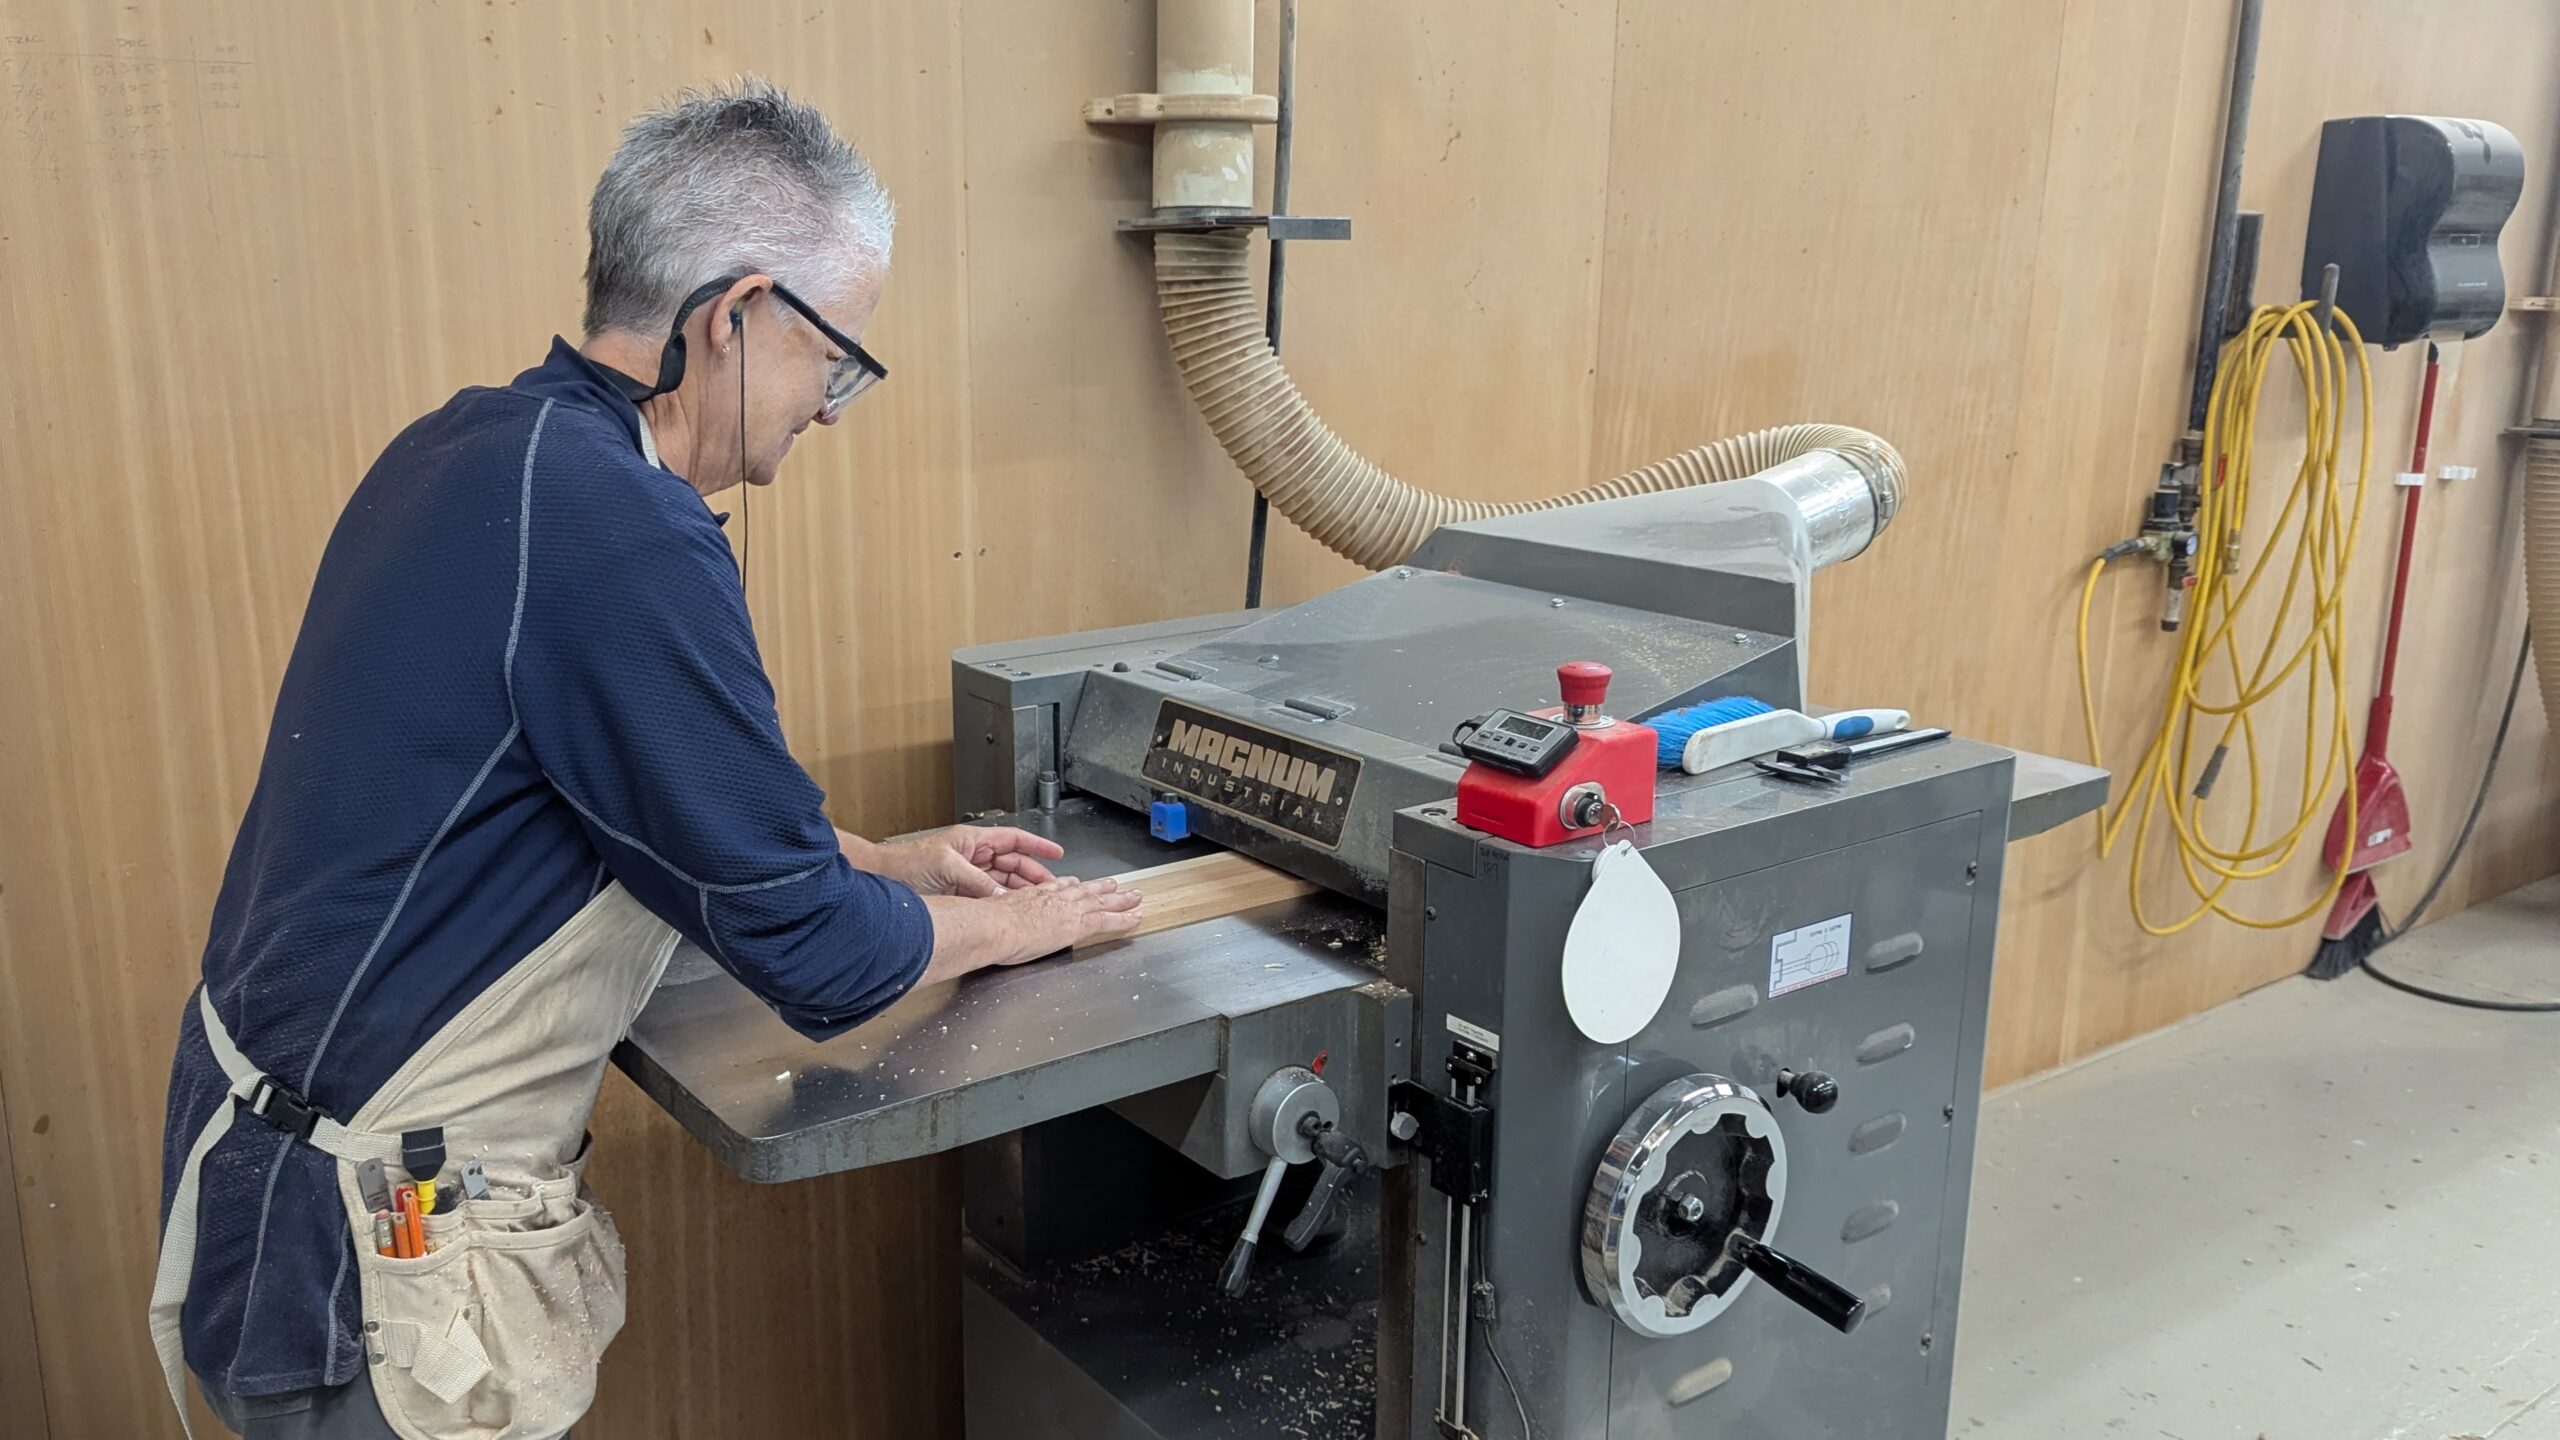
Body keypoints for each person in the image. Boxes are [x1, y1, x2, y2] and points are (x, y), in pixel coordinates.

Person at [149, 76, 1142, 1440]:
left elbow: (602, 792)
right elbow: (816, 959)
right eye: (835, 357)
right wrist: (1034, 920)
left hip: (266, 1177)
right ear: (734, 318)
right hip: (365, 1261)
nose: (836, 406)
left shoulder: (481, 450)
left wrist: (879, 857)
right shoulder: (619, 530)